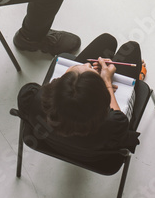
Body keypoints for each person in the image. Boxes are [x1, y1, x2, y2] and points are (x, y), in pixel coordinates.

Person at [17, 34, 146, 155]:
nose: (87, 64)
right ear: (102, 102)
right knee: (132, 47)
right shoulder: (112, 125)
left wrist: (68, 76)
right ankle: (138, 76)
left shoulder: (30, 97)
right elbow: (120, 119)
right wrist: (106, 82)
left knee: (107, 40)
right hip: (94, 155)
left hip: (50, 144)